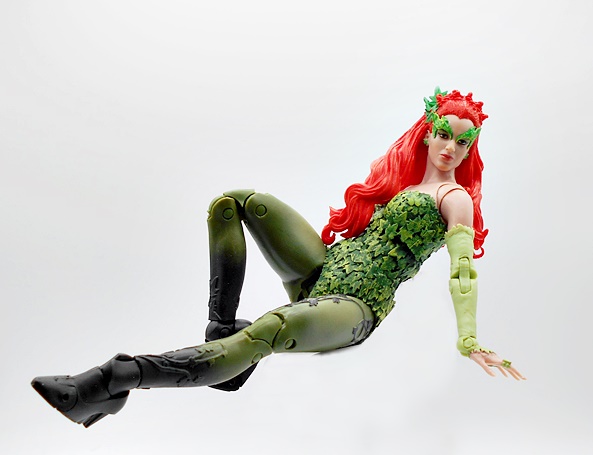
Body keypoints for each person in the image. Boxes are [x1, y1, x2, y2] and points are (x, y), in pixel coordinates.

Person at [32, 88, 525, 428]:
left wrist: (469, 339)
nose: (452, 146)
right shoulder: (406, 184)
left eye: (464, 140)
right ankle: (221, 333)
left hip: (356, 306)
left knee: (270, 328)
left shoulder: (455, 200)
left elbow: (463, 273)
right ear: (428, 132)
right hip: (325, 268)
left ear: (471, 149)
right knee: (237, 202)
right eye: (445, 133)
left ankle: (117, 378)